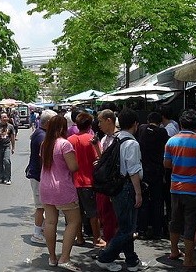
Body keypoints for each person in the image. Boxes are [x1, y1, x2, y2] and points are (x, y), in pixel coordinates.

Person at [95, 109, 147, 272]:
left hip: (116, 187)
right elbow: (133, 170)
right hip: (127, 187)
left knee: (125, 226)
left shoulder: (115, 139)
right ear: (135, 125)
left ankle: (132, 261)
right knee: (127, 229)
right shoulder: (131, 143)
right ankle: (105, 257)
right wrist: (138, 193)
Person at [164, 109, 196, 269]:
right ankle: (189, 259)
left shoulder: (171, 141)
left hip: (175, 188)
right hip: (193, 190)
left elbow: (166, 164)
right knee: (190, 224)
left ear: (180, 123)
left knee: (175, 220)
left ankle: (173, 251)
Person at [39, 115, 82, 271]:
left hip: (45, 186)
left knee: (50, 222)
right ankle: (65, 258)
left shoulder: (45, 144)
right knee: (74, 221)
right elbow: (73, 167)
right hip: (62, 187)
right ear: (64, 127)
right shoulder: (65, 144)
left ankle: (52, 257)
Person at [68, 111, 105, 247]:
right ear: (90, 124)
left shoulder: (70, 140)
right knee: (93, 213)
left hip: (73, 181)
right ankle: (97, 238)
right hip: (89, 181)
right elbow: (99, 159)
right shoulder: (92, 140)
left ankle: (79, 238)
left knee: (77, 213)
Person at [25, 109, 57, 245]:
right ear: (49, 123)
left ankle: (42, 229)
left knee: (43, 205)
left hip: (37, 174)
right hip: (38, 176)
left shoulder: (40, 134)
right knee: (40, 206)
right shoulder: (42, 137)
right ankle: (37, 233)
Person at [136, 111, 169, 240]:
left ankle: (142, 229)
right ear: (160, 121)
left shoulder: (142, 129)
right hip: (158, 170)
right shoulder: (162, 132)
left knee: (143, 200)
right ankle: (157, 230)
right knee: (157, 201)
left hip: (143, 169)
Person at [95, 110, 118, 243]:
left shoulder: (118, 138)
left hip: (113, 184)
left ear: (109, 120)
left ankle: (112, 245)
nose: (98, 124)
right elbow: (103, 158)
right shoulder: (104, 139)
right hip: (104, 183)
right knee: (104, 215)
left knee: (111, 216)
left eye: (100, 121)